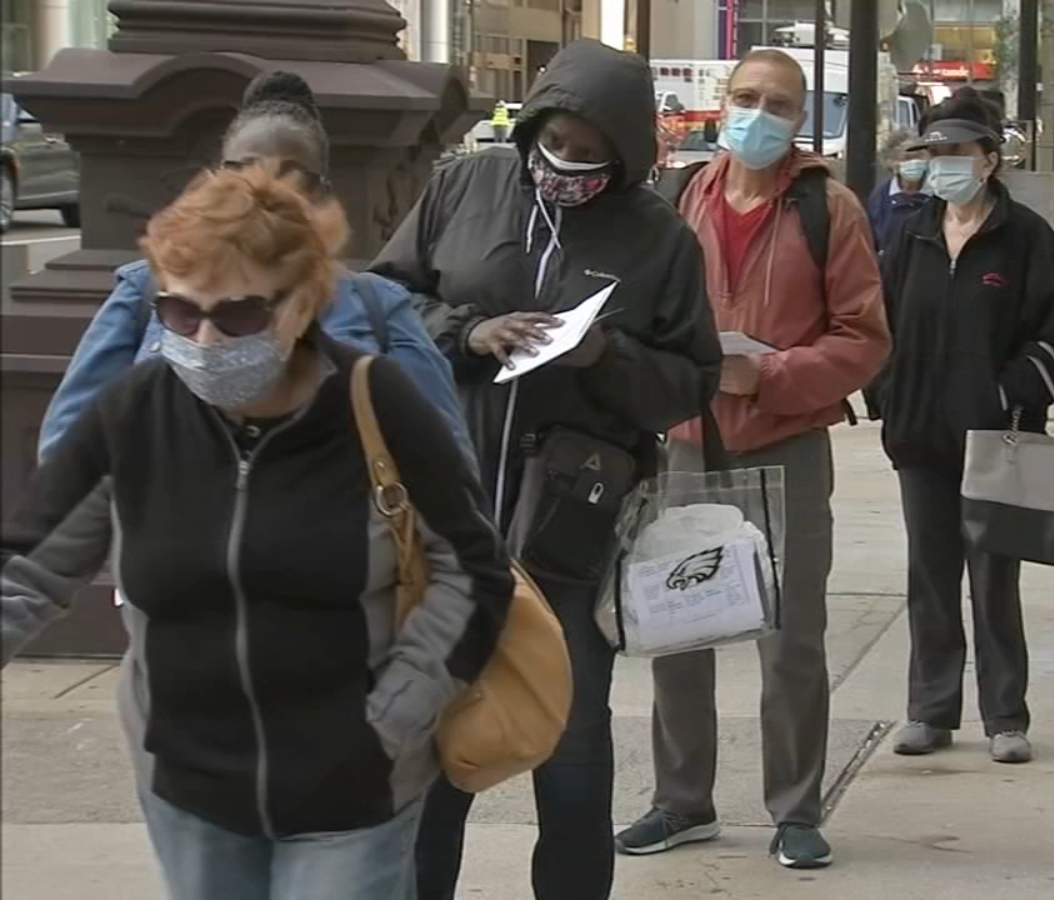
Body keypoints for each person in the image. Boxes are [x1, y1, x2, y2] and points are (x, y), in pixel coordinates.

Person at [1, 162, 514, 899]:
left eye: (238, 315)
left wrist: (396, 716)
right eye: (179, 313)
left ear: (301, 302)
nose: (205, 340)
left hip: (355, 784)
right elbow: (31, 568)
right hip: (187, 782)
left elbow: (474, 566)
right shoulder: (136, 410)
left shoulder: (377, 402)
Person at [372, 40, 721, 900]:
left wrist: (601, 353)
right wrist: (468, 331)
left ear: (626, 157)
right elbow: (385, 299)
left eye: (587, 153)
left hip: (567, 529)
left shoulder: (659, 239)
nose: (563, 164)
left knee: (570, 743)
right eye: (552, 142)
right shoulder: (465, 187)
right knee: (431, 744)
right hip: (444, 517)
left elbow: (689, 379)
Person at [617, 47, 889, 871]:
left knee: (791, 637)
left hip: (786, 444)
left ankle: (795, 807)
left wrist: (767, 375)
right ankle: (681, 799)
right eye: (746, 97)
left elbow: (865, 338)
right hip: (687, 444)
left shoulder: (828, 208)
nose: (758, 114)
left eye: (777, 103)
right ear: (720, 102)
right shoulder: (677, 198)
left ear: (799, 118)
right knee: (677, 627)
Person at [38, 71, 471, 463]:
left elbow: (445, 460)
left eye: (288, 174)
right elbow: (67, 446)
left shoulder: (378, 306)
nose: (259, 188)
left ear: (319, 192)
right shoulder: (144, 291)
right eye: (241, 169)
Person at [867, 89, 1054, 765]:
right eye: (936, 151)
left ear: (989, 158)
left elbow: (1050, 343)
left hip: (996, 439)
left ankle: (1005, 715)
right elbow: (879, 325)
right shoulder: (911, 235)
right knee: (929, 574)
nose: (946, 164)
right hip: (919, 434)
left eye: (959, 151)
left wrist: (999, 394)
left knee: (993, 576)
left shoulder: (1027, 240)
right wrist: (886, 395)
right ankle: (930, 708)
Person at [866, 130, 933, 250]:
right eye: (906, 158)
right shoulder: (880, 196)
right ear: (892, 163)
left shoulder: (938, 193)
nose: (914, 162)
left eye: (919, 156)